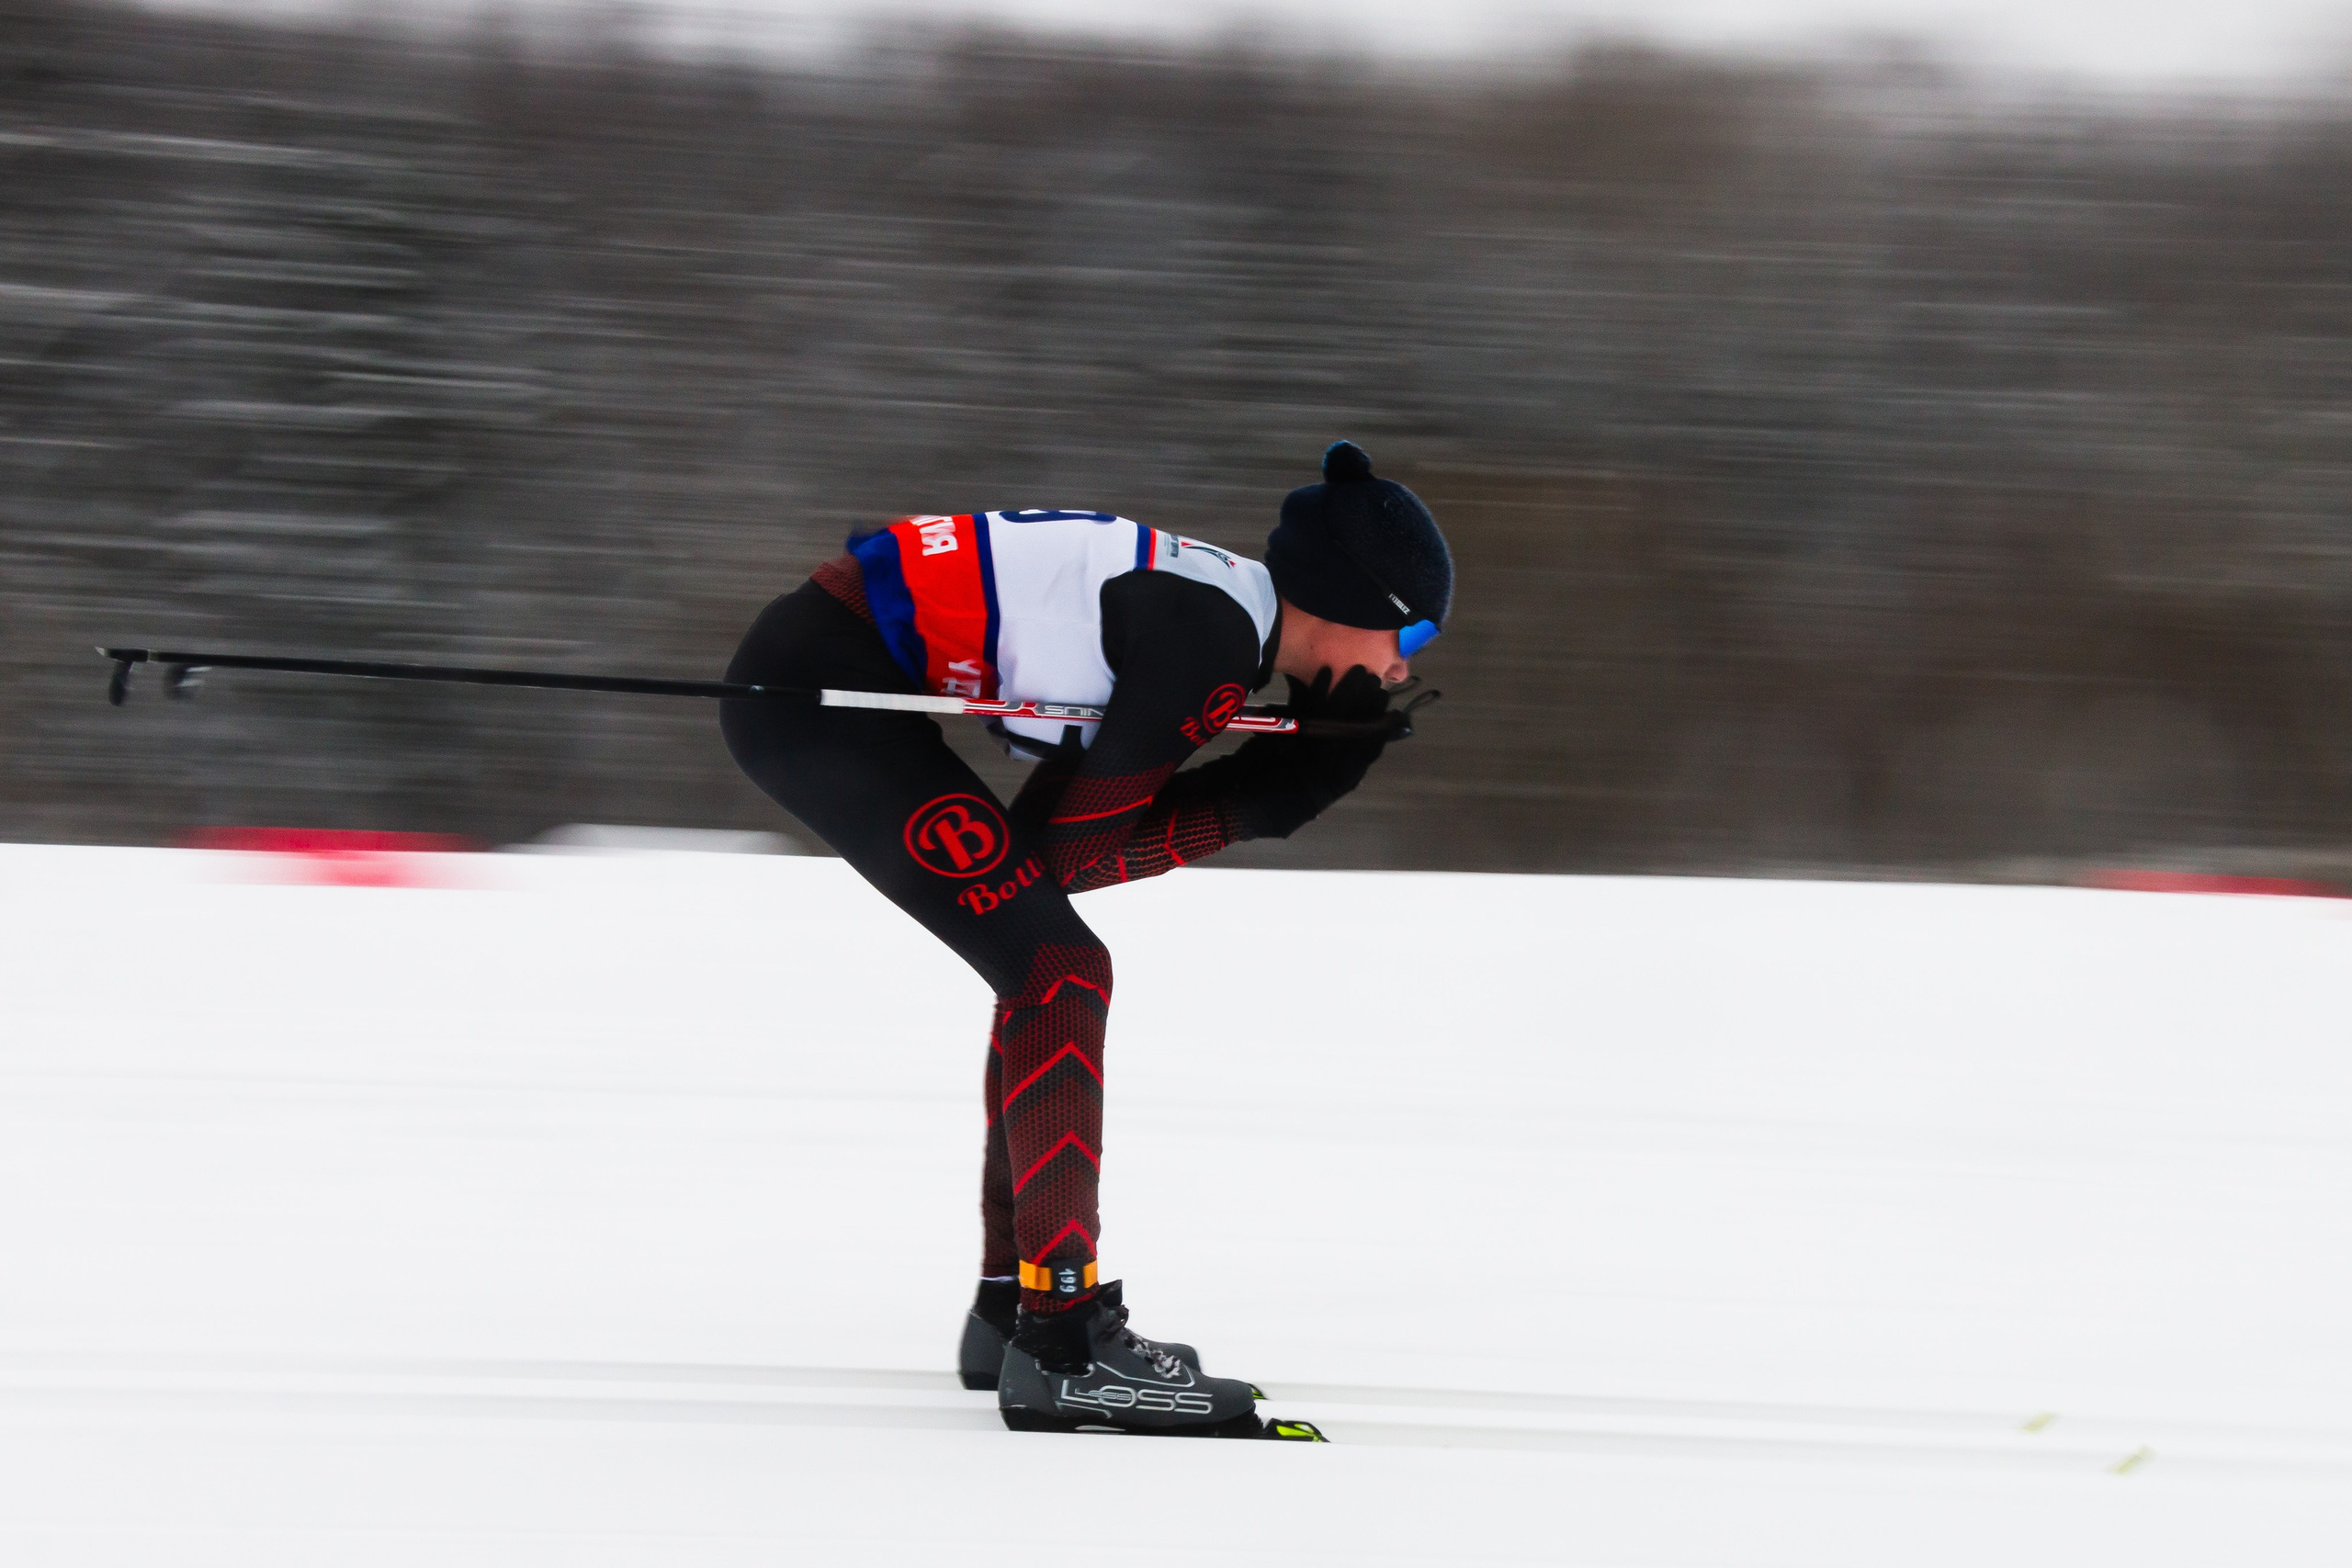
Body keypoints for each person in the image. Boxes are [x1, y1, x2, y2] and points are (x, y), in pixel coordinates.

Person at [718, 440, 1452, 1437]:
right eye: (1411, 633)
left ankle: (1015, 1307)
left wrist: (1288, 784)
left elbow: (1045, 862)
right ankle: (1060, 1340)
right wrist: (1291, 786)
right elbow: (1081, 850)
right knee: (1060, 970)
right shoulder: (1206, 647)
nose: (1405, 664)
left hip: (818, 666)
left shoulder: (1219, 614)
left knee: (1041, 957)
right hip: (821, 698)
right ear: (1349, 602)